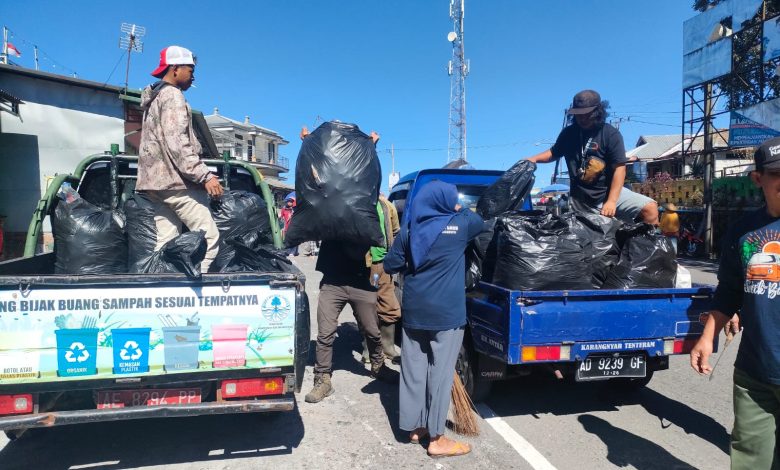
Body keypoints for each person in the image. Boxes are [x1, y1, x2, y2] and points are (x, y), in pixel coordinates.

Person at [689, 136, 780, 469]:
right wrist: (707, 334)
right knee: (750, 460)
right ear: (758, 179)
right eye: (777, 174)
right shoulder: (743, 232)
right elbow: (729, 290)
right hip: (755, 373)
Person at [384, 180, 484, 458]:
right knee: (440, 375)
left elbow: (391, 264)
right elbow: (478, 219)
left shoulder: (410, 229)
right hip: (446, 314)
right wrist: (458, 208)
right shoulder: (460, 226)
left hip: (415, 311)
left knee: (413, 370)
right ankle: (437, 438)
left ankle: (415, 428)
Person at [303, 128, 397, 404]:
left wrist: (372, 147)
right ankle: (323, 379)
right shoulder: (329, 204)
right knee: (325, 333)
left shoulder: (365, 203)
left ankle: (379, 367)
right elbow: (315, 179)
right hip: (333, 281)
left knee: (372, 330)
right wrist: (308, 145)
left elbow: (367, 174)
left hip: (360, 279)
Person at [136, 45, 223, 272]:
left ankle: (163, 286)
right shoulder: (173, 96)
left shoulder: (154, 98)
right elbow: (177, 144)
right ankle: (197, 293)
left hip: (155, 184)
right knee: (209, 239)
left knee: (166, 242)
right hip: (176, 184)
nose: (193, 75)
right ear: (175, 69)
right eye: (190, 69)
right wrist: (204, 176)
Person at [523, 90, 658, 225]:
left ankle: (649, 244)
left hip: (608, 194)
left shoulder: (610, 134)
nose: (582, 119)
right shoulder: (568, 133)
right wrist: (533, 159)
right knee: (587, 239)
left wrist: (611, 201)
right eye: (578, 115)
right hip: (580, 200)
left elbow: (620, 169)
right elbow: (554, 152)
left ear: (598, 111)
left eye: (587, 115)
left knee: (650, 209)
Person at [362, 194, 402, 363]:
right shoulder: (356, 201)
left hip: (382, 264)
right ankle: (368, 350)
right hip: (362, 263)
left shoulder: (386, 205)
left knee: (388, 304)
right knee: (365, 306)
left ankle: (388, 347)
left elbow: (395, 231)